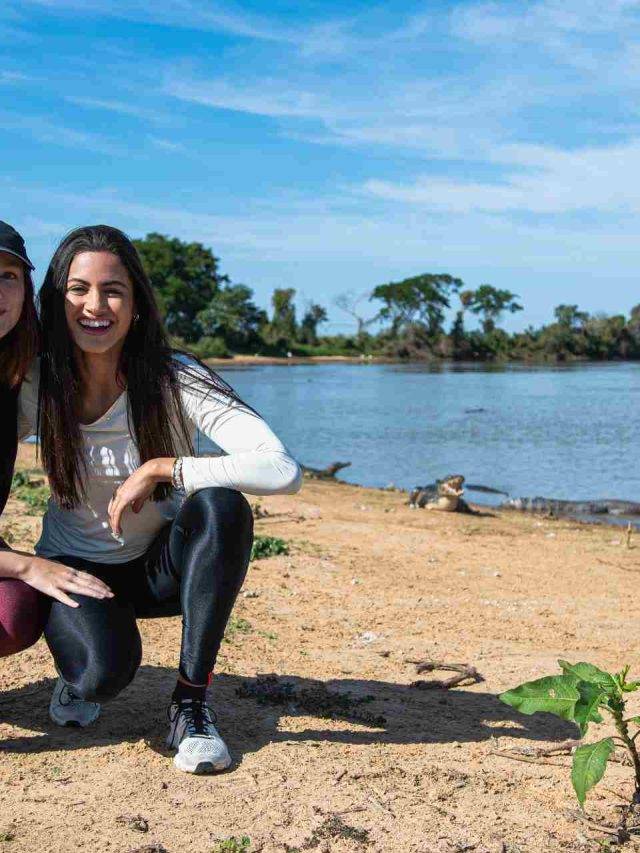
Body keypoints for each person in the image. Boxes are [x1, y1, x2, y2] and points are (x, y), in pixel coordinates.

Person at [19, 225, 302, 773]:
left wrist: (164, 467)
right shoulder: (38, 382)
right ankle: (80, 668)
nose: (95, 305)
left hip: (159, 569)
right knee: (100, 678)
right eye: (78, 289)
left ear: (137, 306)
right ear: (56, 301)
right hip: (75, 569)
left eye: (113, 290)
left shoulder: (176, 377)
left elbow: (282, 469)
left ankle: (190, 704)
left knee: (221, 506)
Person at [0, 222, 113, 660]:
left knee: (14, 611)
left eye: (8, 276)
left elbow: (94, 337)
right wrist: (27, 564)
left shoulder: (17, 372)